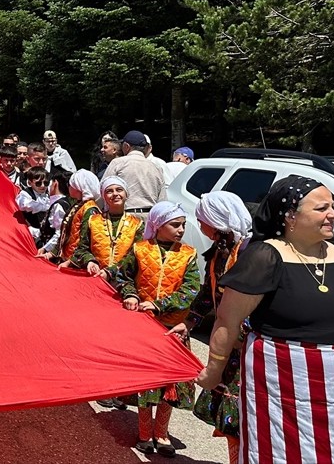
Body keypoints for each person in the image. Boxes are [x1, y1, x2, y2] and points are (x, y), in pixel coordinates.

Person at [198, 176, 334, 464]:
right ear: (290, 217)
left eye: (332, 207)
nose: (333, 215)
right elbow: (227, 320)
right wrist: (214, 370)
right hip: (279, 388)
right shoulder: (265, 257)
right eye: (322, 208)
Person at [166, 191, 253, 464]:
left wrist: (242, 332)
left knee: (246, 417)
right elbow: (207, 293)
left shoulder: (251, 252)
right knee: (232, 421)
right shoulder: (219, 252)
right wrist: (188, 322)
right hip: (230, 346)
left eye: (202, 219)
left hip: (251, 349)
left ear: (216, 221)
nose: (200, 225)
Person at [115, 201, 200, 457]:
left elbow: (191, 290)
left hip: (173, 329)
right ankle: (144, 433)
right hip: (145, 326)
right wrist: (130, 294)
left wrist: (159, 304)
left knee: (168, 383)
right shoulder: (140, 249)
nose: (181, 230)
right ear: (159, 225)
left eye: (183, 225)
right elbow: (123, 276)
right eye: (175, 225)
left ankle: (161, 433)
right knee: (146, 381)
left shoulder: (188, 254)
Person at [70, 176, 144, 280]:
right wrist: (90, 261)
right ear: (104, 197)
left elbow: (134, 257)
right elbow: (81, 249)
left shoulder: (137, 224)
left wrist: (110, 272)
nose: (115, 194)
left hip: (123, 281)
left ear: (126, 194)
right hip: (95, 277)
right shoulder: (93, 221)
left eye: (119, 190)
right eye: (109, 191)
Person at [101, 131, 166, 219]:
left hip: (125, 218)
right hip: (150, 218)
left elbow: (103, 188)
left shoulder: (118, 163)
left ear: (126, 146)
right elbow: (162, 200)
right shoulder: (156, 167)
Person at [47, 170, 101, 264]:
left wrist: (70, 262)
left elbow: (85, 242)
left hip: (76, 263)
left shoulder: (89, 210)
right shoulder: (78, 205)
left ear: (79, 187)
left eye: (71, 185)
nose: (69, 187)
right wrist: (51, 253)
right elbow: (65, 235)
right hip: (66, 259)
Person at [16, 167, 61, 249]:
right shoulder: (25, 194)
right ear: (30, 183)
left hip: (47, 233)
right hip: (31, 232)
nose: (43, 186)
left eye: (46, 183)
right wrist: (46, 207)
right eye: (38, 183)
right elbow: (24, 205)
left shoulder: (49, 193)